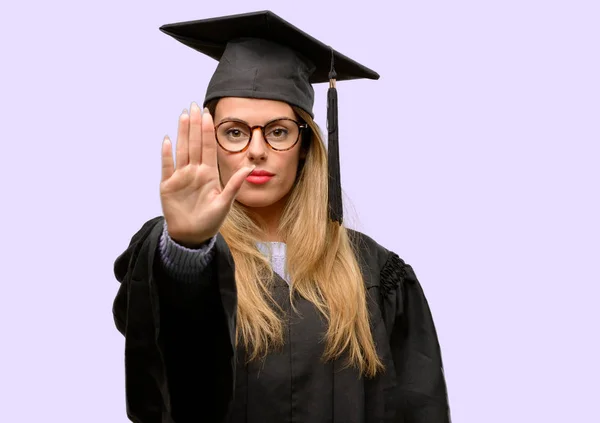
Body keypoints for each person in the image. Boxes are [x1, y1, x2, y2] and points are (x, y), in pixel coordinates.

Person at [112, 10, 451, 423]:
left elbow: (420, 408)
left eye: (277, 131)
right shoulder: (172, 252)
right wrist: (187, 250)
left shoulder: (377, 274)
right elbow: (160, 379)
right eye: (234, 131)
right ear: (210, 140)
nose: (256, 150)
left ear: (305, 144)